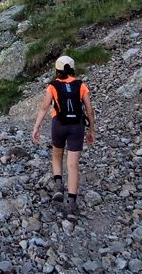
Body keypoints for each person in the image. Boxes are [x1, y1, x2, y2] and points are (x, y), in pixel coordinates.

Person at [31, 55, 96, 213]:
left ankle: (58, 185)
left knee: (57, 154)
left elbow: (44, 108)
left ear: (57, 69)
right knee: (73, 165)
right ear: (73, 68)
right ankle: (72, 203)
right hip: (77, 126)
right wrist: (91, 130)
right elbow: (89, 110)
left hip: (59, 124)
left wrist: (36, 127)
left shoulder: (52, 86)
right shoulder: (81, 85)